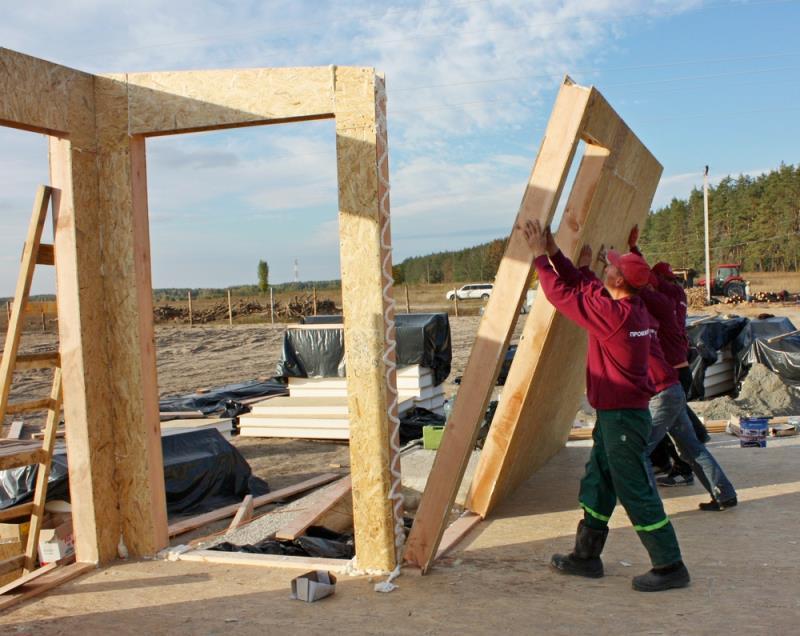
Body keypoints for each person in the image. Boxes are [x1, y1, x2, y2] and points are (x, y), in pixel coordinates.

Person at [520, 219, 690, 592]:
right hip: (618, 416)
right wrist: (554, 252)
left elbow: (562, 295)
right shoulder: (631, 307)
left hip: (624, 419)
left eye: (611, 267)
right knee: (598, 481)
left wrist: (538, 257)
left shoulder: (613, 317)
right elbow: (584, 286)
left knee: (634, 489)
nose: (607, 267)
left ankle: (670, 564)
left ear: (618, 281)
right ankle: (586, 557)